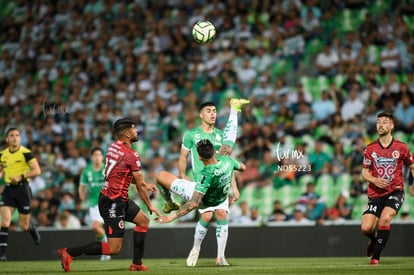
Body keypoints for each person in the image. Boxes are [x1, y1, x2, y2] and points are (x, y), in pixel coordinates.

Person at [58, 118, 161, 272]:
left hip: (117, 198)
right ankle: (69, 252)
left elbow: (121, 175)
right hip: (113, 202)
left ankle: (136, 263)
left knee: (143, 221)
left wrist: (145, 183)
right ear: (127, 134)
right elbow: (138, 184)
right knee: (113, 249)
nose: (136, 131)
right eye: (134, 129)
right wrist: (149, 204)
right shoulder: (131, 154)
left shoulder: (113, 147)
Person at [173, 99, 249, 266]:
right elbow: (182, 157)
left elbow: (226, 163)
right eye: (208, 111)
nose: (213, 113)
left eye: (214, 110)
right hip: (201, 182)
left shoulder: (221, 135)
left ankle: (220, 257)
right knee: (207, 215)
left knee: (222, 214)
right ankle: (195, 248)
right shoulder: (191, 134)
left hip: (219, 183)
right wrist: (181, 174)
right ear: (201, 115)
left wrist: (234, 187)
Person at [155, 139, 246, 266]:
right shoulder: (228, 161)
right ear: (214, 151)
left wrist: (171, 217)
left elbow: (194, 203)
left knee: (160, 176)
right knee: (219, 214)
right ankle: (219, 257)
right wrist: (235, 178)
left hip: (203, 199)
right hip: (221, 198)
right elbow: (242, 167)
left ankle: (170, 203)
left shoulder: (205, 175)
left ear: (199, 157)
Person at [361, 112, 414, 265]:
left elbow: (411, 166)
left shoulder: (401, 147)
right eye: (378, 122)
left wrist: (412, 184)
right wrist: (374, 180)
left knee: (385, 218)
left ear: (391, 126)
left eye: (385, 122)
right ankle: (373, 239)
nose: (380, 125)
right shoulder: (370, 148)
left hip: (395, 191)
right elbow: (365, 172)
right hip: (376, 193)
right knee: (366, 228)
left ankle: (376, 257)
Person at [0, 127, 41, 261]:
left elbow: (37, 170)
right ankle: (1, 255)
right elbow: (1, 169)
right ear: (7, 139)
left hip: (22, 189)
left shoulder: (26, 153)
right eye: (12, 135)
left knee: (24, 226)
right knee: (5, 221)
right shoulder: (2, 154)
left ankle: (32, 228)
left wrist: (21, 176)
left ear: (20, 138)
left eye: (17, 135)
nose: (15, 138)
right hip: (8, 190)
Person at [78, 148, 110, 261]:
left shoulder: (107, 169)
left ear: (102, 157)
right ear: (92, 157)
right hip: (94, 203)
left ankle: (106, 250)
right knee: (96, 228)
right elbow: (82, 186)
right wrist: (81, 194)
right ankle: (106, 250)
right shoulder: (87, 171)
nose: (97, 157)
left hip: (108, 201)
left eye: (99, 155)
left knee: (98, 228)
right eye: (95, 155)